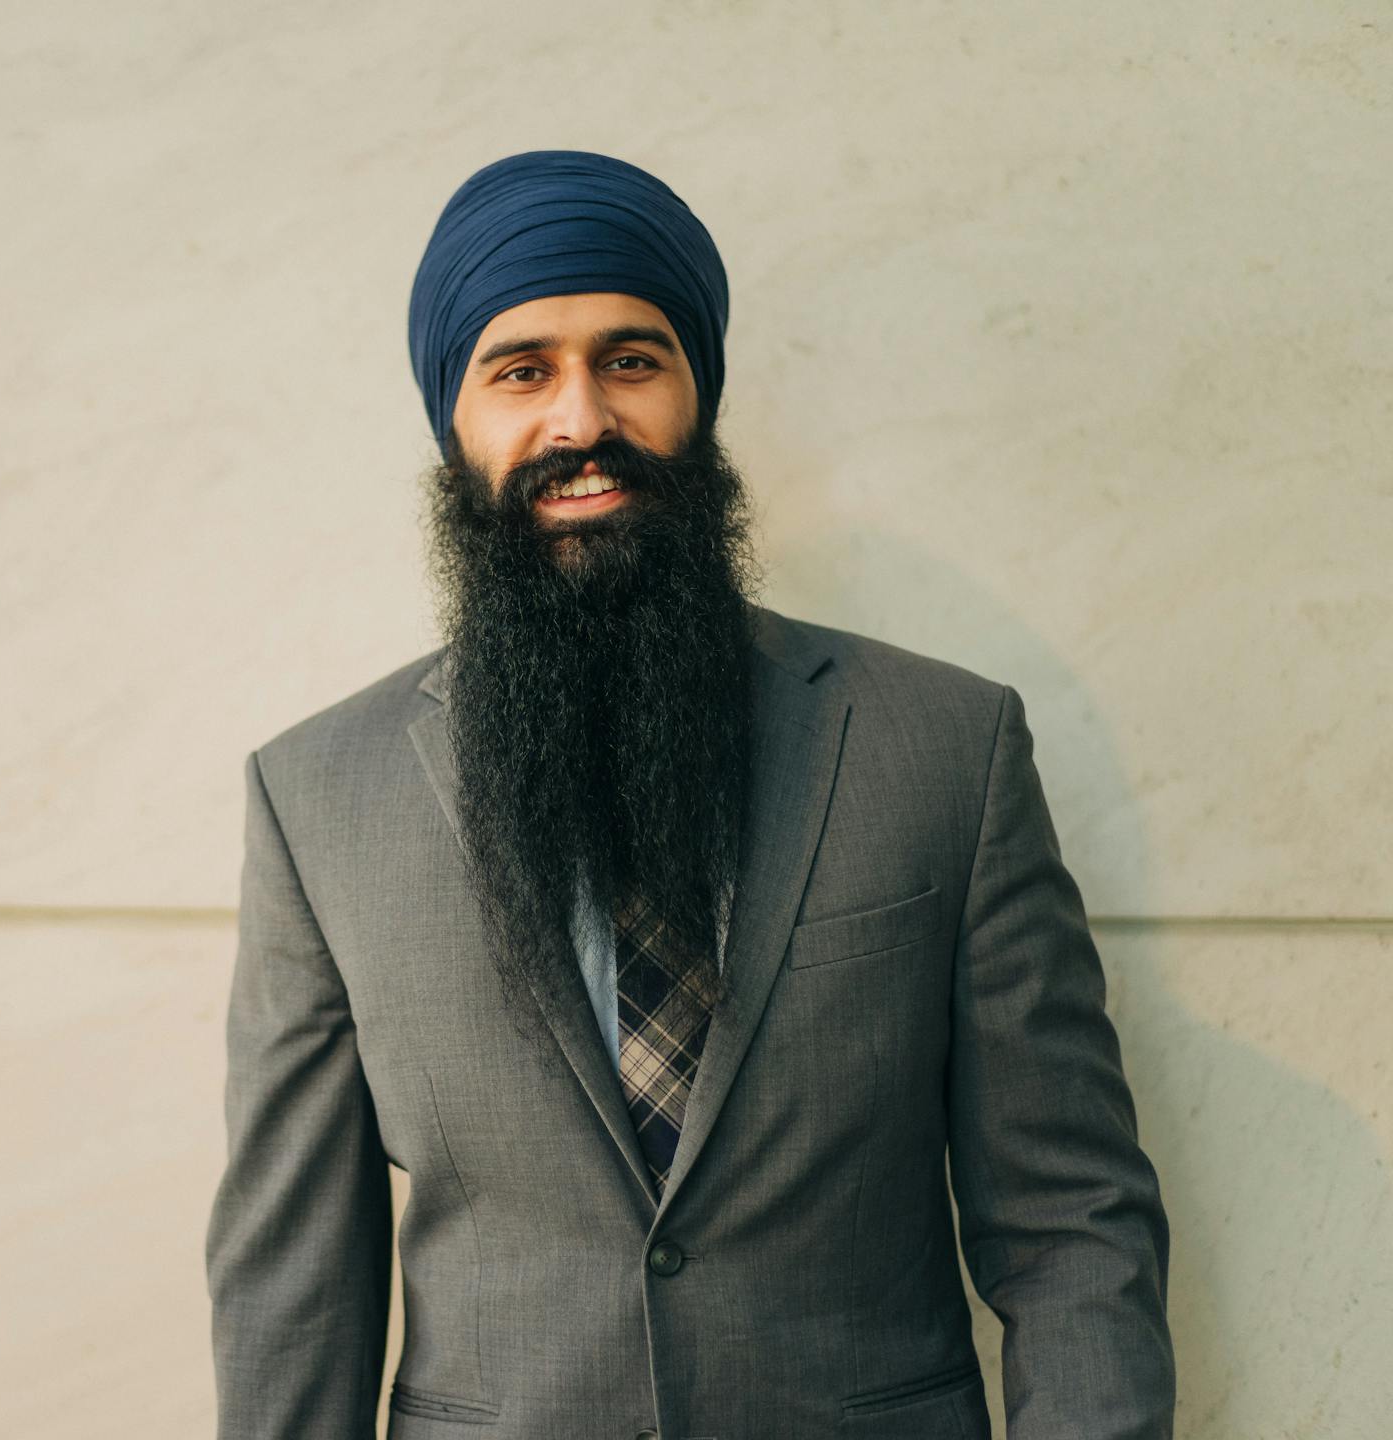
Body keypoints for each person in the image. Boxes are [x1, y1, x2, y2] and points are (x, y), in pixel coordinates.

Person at [204, 149, 1175, 1440]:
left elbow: (1073, 1232)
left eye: (630, 360)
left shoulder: (948, 748)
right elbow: (293, 1304)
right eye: (522, 371)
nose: (581, 421)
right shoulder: (318, 802)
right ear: (456, 423)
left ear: (697, 397)